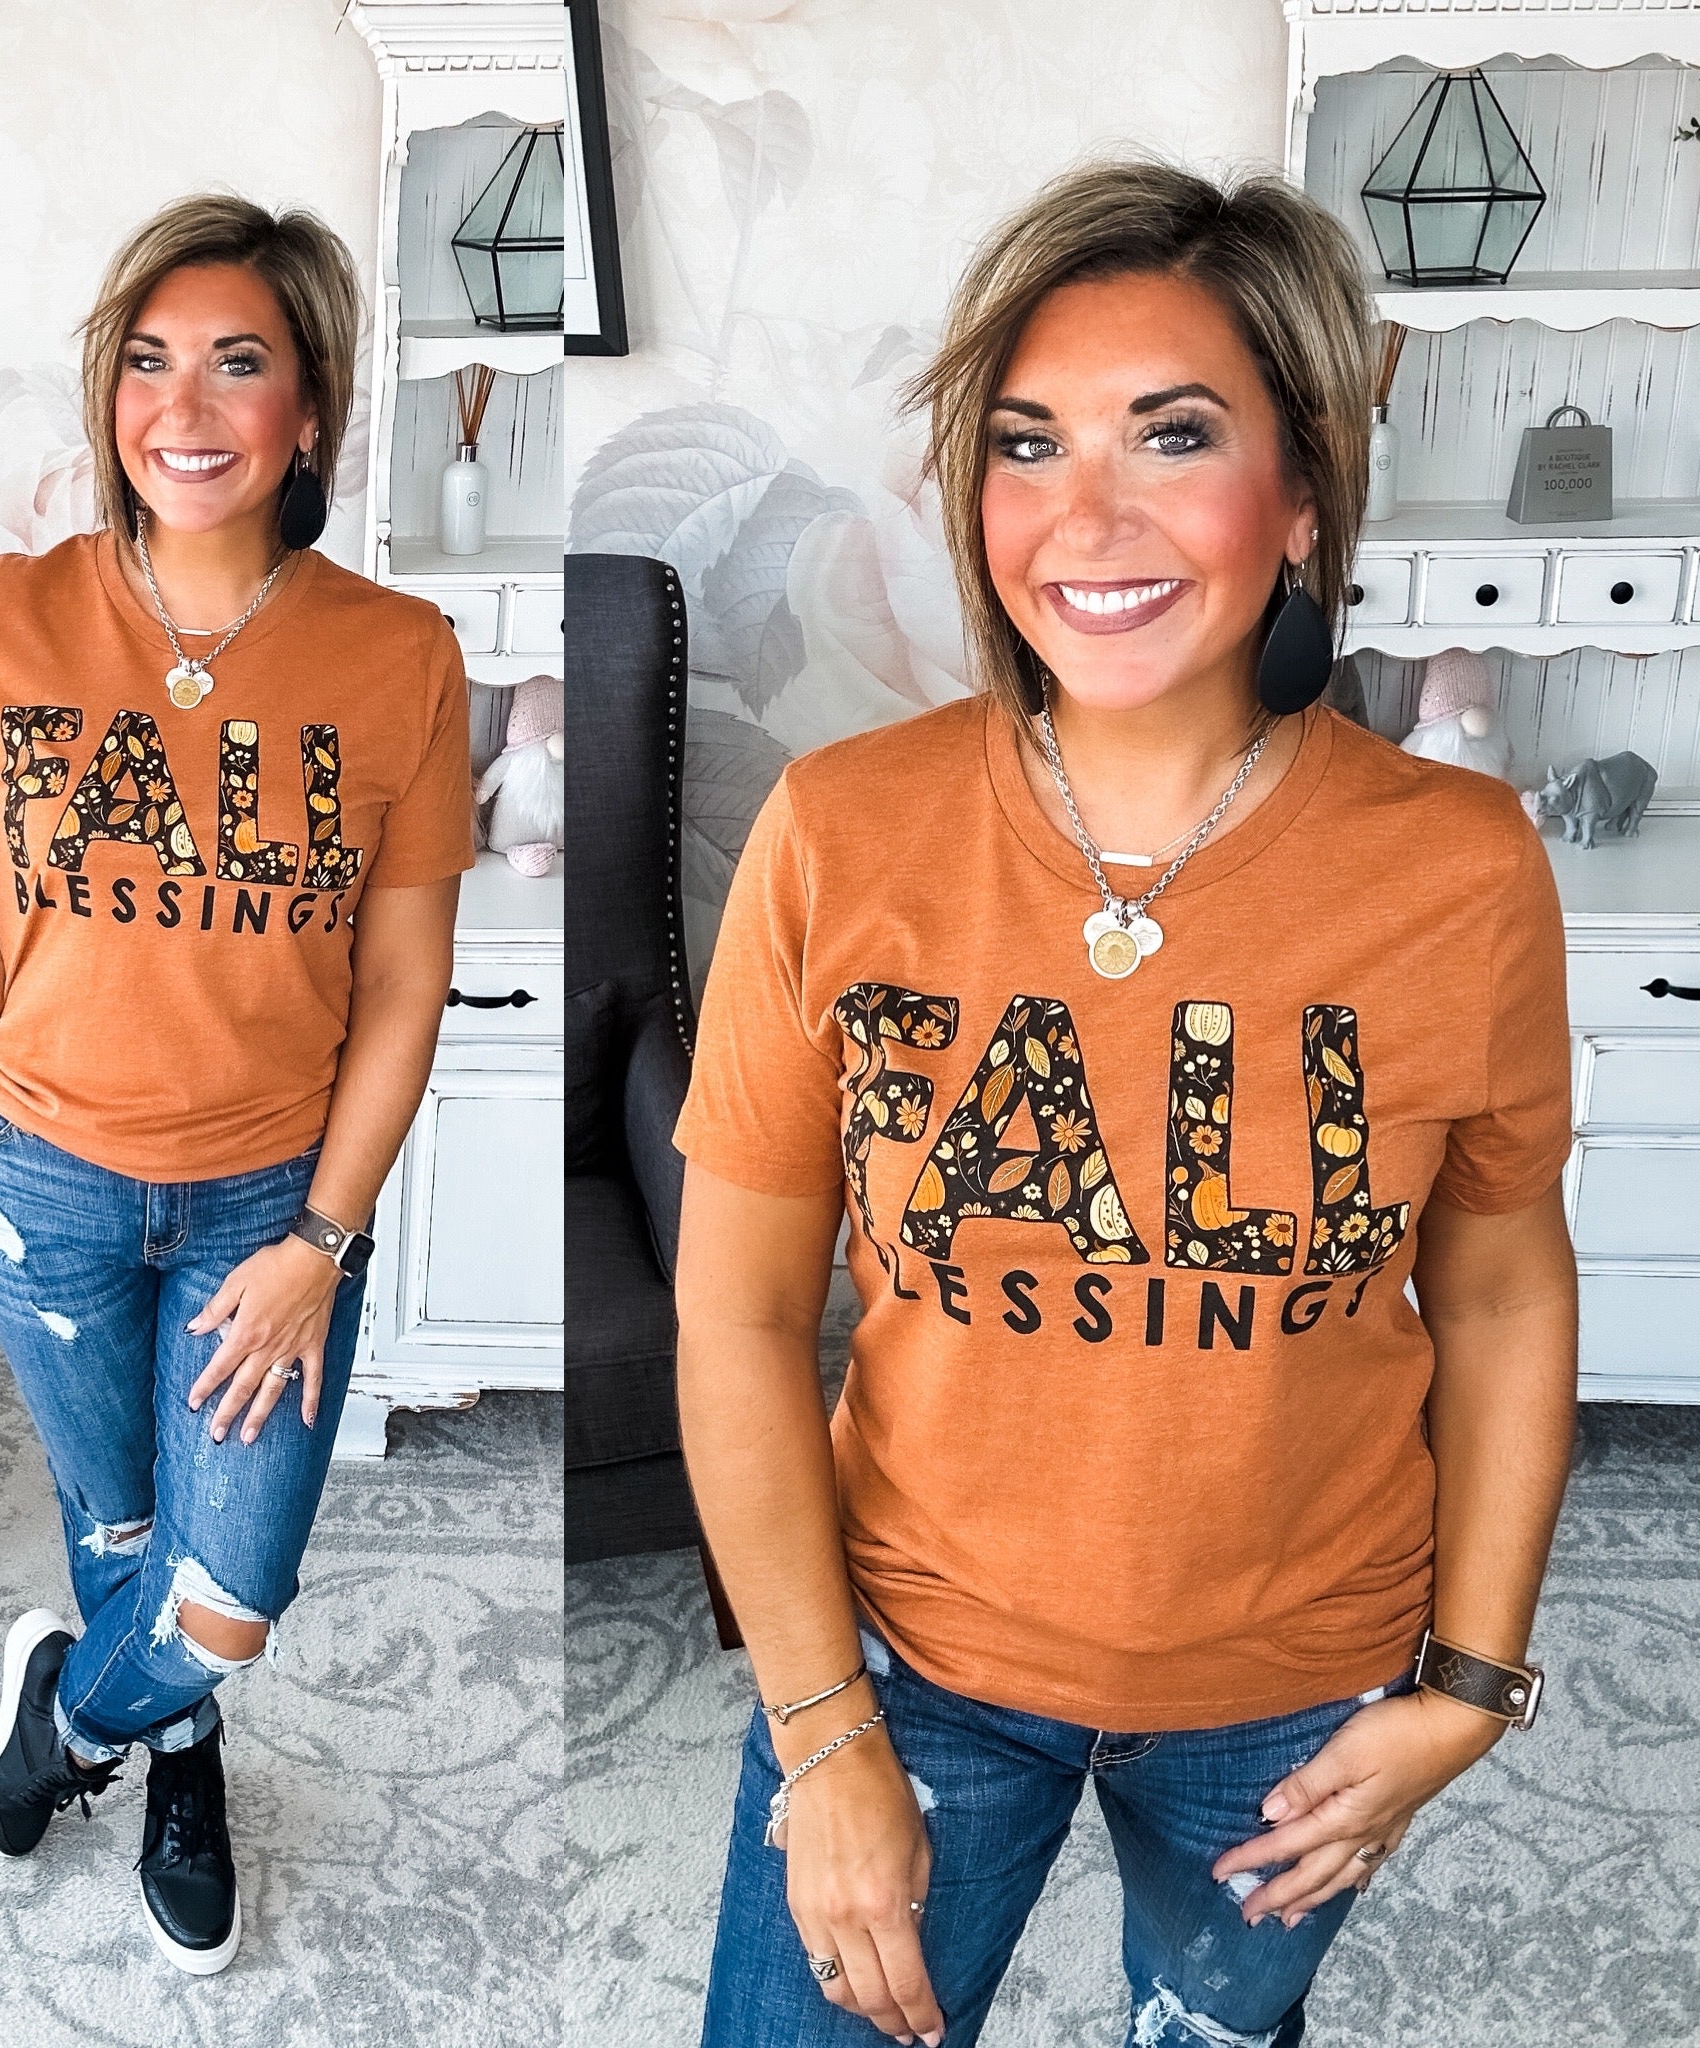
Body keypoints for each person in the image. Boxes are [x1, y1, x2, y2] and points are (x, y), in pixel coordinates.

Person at [671, 158, 1578, 2048]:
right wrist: (819, 1731)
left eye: (1174, 436)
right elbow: (738, 1313)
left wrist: (1474, 1683)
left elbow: (1500, 1287)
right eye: (1028, 446)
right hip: (909, 1657)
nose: (1084, 517)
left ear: (1303, 490)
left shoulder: (1463, 867)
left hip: (1299, 1689)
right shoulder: (841, 833)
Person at [0, 194, 474, 1975]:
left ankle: (76, 1715)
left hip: (269, 1206)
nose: (183, 407)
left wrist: (322, 1243)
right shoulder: (6, 621)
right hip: (41, 1184)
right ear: (108, 396)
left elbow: (404, 983)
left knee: (227, 1597)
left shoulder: (399, 658)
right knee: (119, 1519)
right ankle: (182, 1763)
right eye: (147, 362)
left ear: (308, 409)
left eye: (237, 363)